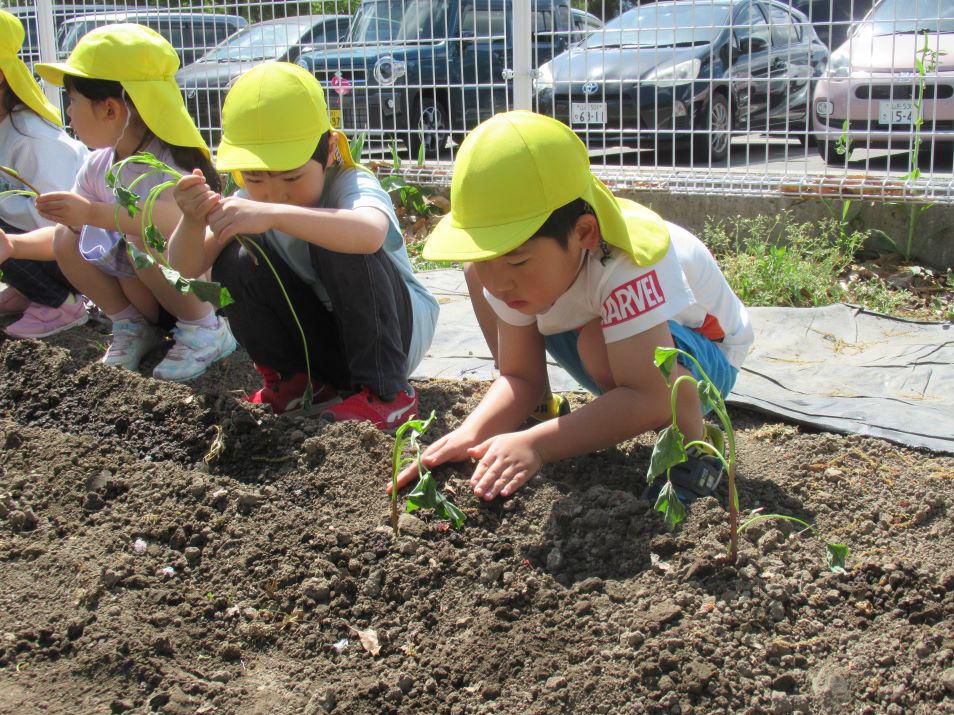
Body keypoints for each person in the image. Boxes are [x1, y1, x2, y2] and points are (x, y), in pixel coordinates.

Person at [395, 111, 754, 503]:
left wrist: (538, 446)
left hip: (705, 358)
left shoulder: (626, 261)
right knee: (552, 318)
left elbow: (648, 395)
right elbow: (520, 377)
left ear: (583, 232)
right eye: (486, 258)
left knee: (598, 344)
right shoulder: (509, 271)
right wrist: (470, 432)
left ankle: (694, 449)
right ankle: (544, 413)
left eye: (516, 260)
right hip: (606, 337)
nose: (497, 281)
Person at [169, 62, 439, 428]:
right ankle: (299, 383)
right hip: (324, 343)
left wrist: (274, 215)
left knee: (339, 239)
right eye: (255, 178)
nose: (274, 192)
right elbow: (187, 268)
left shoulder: (349, 183)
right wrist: (191, 219)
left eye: (292, 176)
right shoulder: (249, 200)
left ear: (328, 150)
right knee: (236, 256)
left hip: (392, 341)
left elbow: (369, 233)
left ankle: (388, 396)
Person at [10, 23, 236, 380]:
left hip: (203, 294)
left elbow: (170, 218)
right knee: (65, 236)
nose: (68, 112)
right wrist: (12, 245)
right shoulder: (97, 165)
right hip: (148, 296)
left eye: (73, 101)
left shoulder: (170, 164)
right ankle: (131, 326)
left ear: (111, 109)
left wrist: (93, 213)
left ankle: (206, 331)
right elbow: (64, 234)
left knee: (144, 237)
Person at [0, 9, 88, 338]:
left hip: (75, 256)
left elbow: (65, 229)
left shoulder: (32, 140)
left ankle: (59, 303)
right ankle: (30, 290)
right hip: (33, 245)